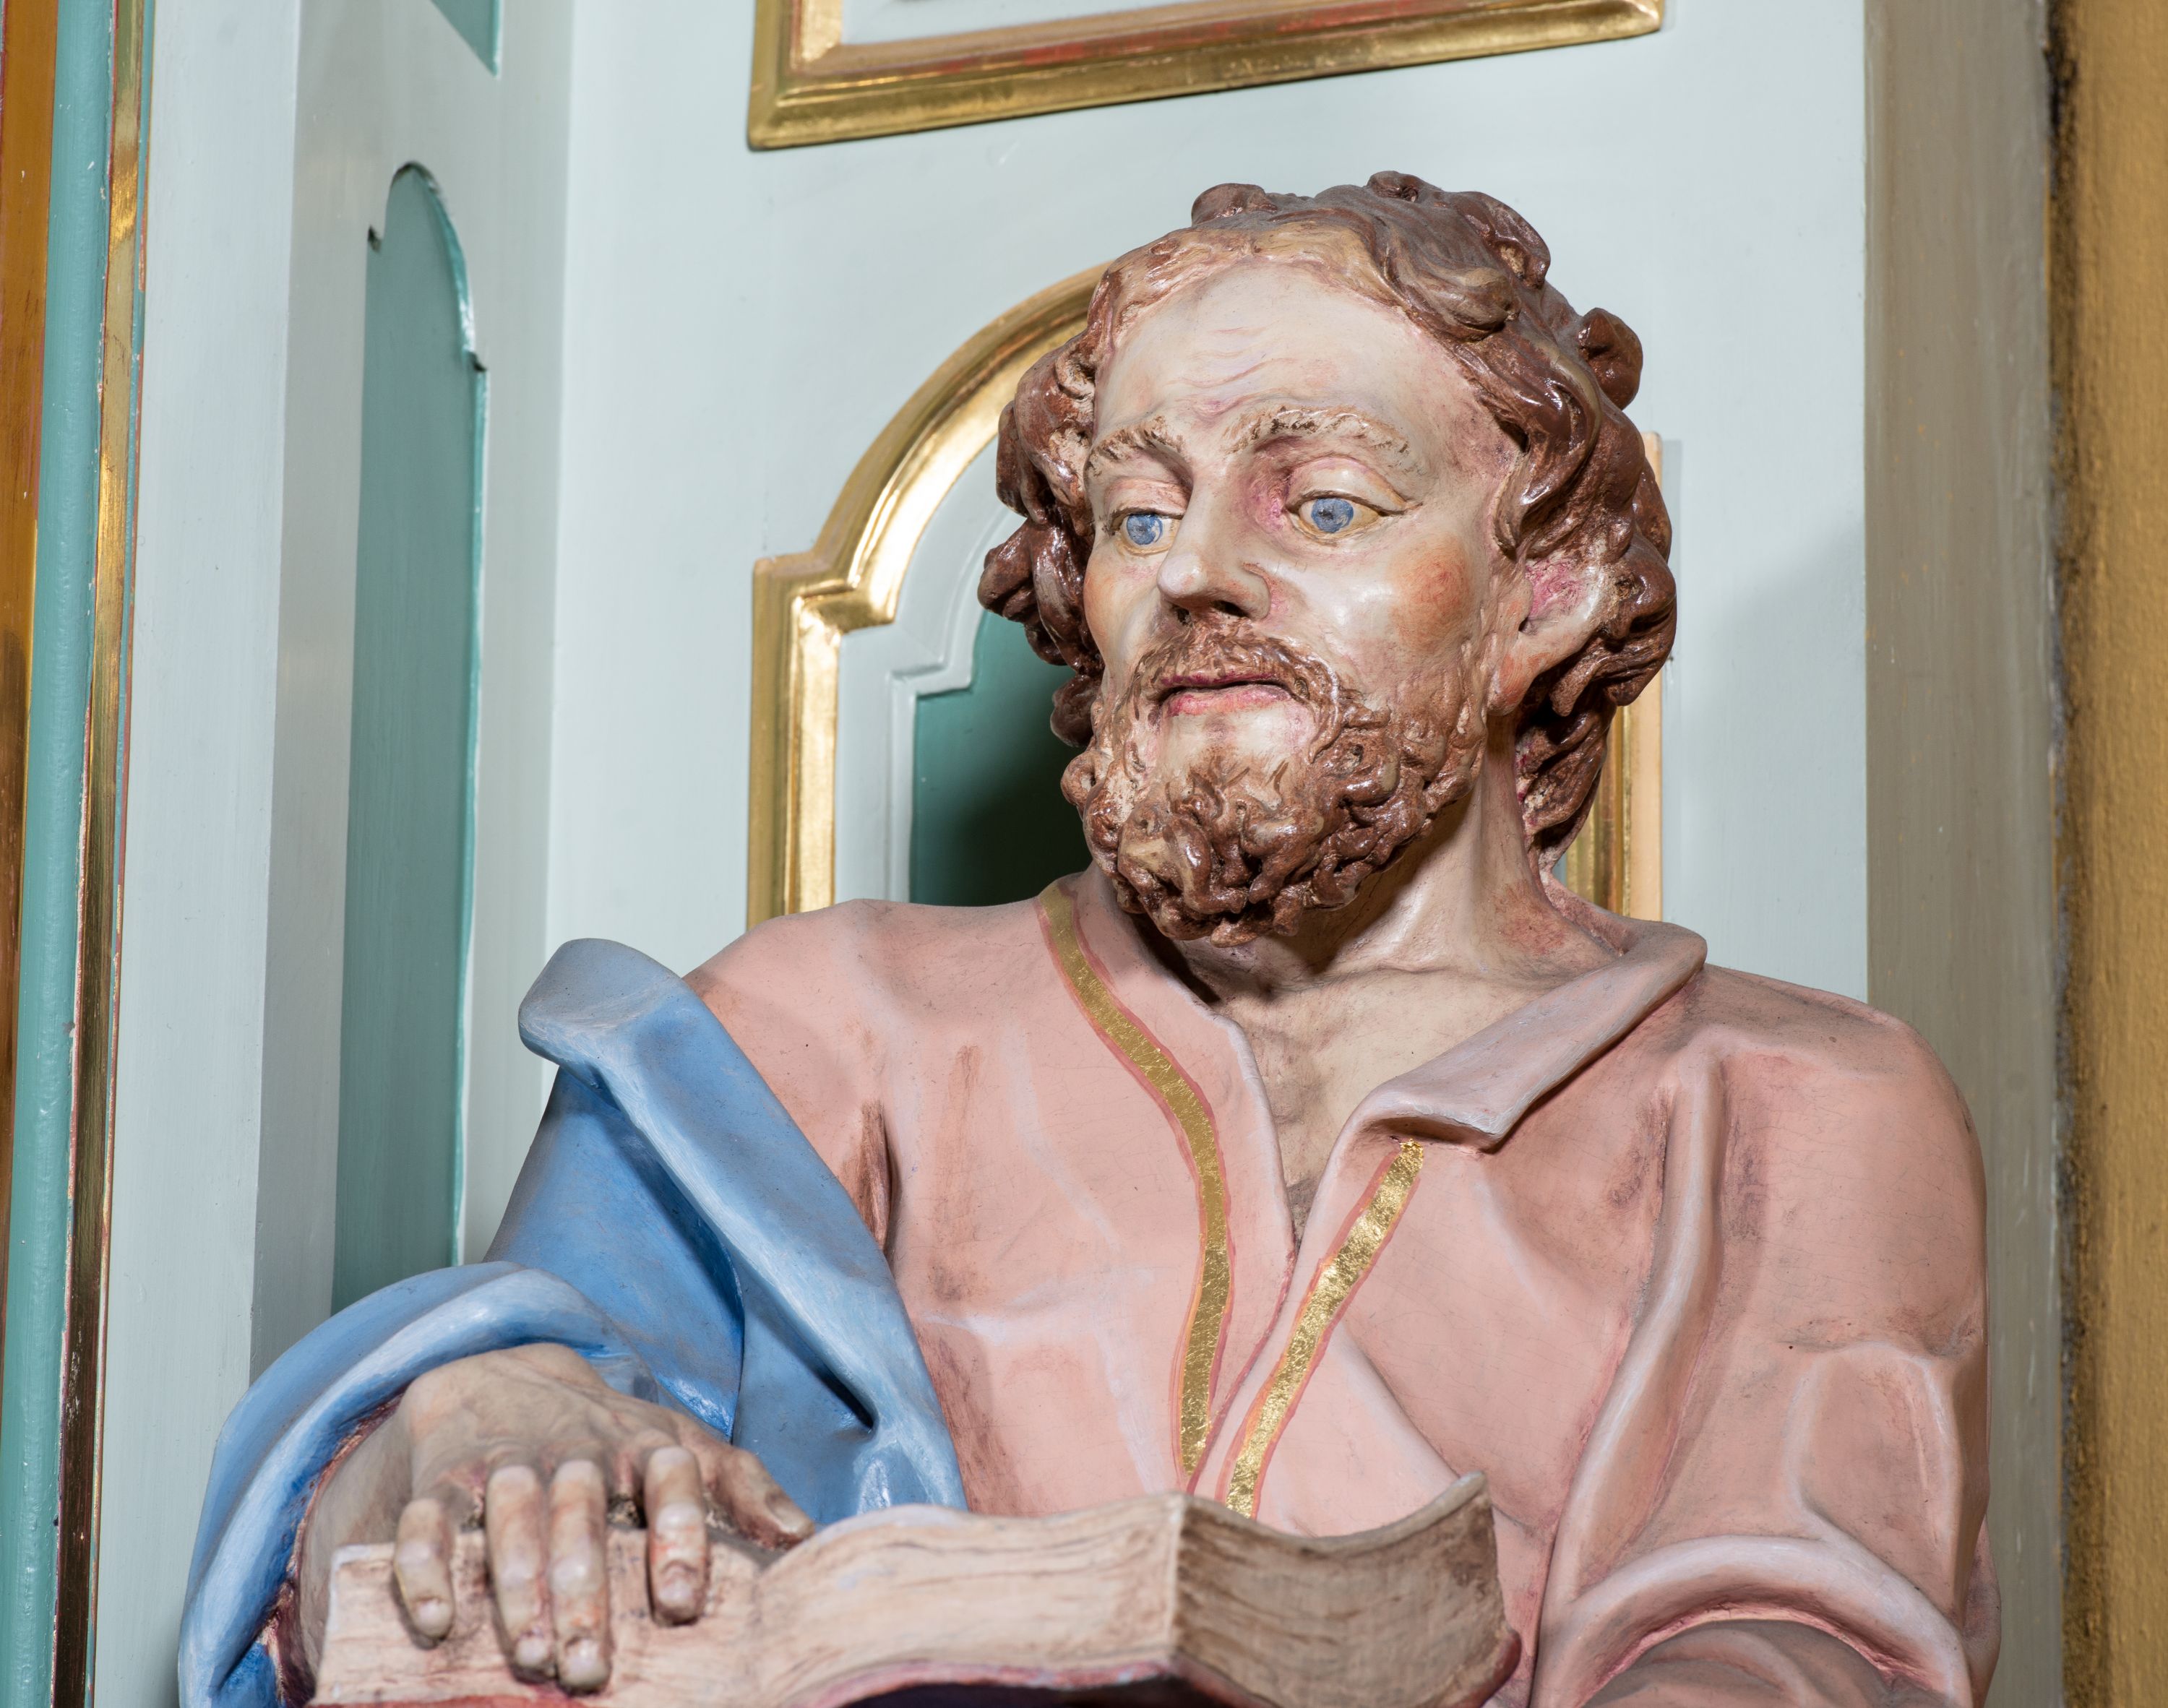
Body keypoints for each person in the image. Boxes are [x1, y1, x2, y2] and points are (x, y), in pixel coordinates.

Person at [184, 176, 1996, 1708]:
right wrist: (470, 1410)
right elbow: (458, 1500)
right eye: (1139, 515)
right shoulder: (821, 1032)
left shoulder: (1788, 1105)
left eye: (1327, 504)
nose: (1195, 571)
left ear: (1548, 591)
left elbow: (1803, 1634)